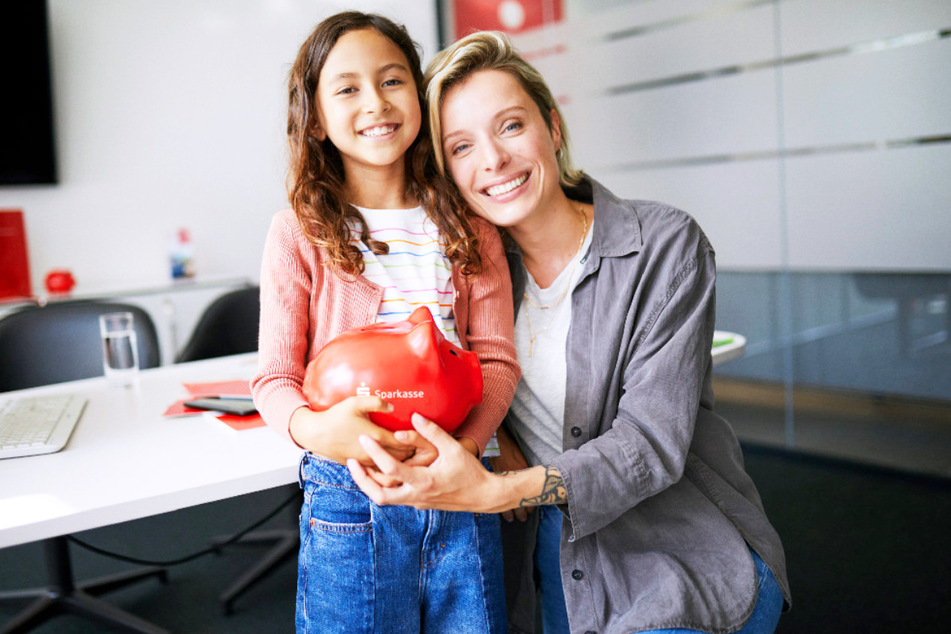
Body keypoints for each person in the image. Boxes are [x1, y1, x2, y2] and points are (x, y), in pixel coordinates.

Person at [348, 31, 792, 634]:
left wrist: (498, 491)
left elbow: (649, 446)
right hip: (555, 548)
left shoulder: (664, 245)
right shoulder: (468, 271)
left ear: (552, 129)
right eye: (461, 147)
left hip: (678, 544)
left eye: (510, 126)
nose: (493, 161)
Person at [250, 14, 519, 633]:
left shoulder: (469, 223)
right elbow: (273, 377)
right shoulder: (299, 231)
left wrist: (468, 447)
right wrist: (320, 432)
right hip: (350, 490)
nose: (376, 102)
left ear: (418, 96)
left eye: (393, 80)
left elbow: (496, 359)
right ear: (315, 117)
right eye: (347, 88)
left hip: (459, 481)